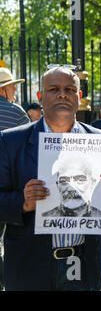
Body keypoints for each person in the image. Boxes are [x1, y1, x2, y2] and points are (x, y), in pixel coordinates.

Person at [0, 66, 101, 291]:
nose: (62, 94)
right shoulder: (11, 142)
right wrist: (23, 203)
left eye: (69, 89)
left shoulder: (99, 141)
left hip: (83, 266)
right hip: (31, 266)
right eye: (54, 89)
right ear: (40, 97)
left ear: (79, 97)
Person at [0, 67, 30, 290]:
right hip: (8, 185)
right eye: (12, 87)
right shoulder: (16, 112)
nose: (14, 91)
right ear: (3, 90)